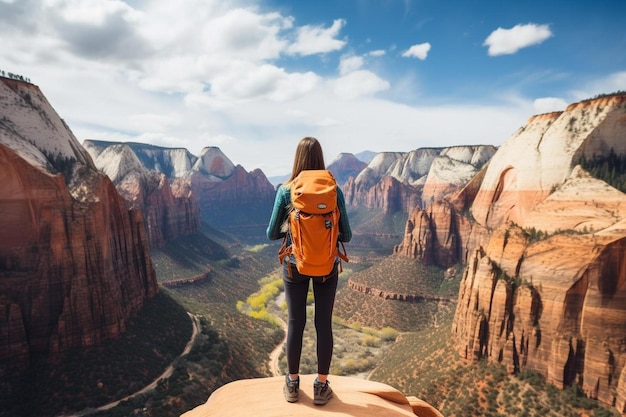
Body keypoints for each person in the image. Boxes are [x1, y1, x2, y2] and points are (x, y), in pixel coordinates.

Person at [266, 137, 352, 405]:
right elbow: (346, 236)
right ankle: (321, 386)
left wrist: (294, 230)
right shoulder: (334, 190)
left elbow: (271, 233)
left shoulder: (286, 190)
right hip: (327, 266)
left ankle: (292, 385)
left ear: (298, 159)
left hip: (294, 265)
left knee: (295, 323)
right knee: (323, 324)